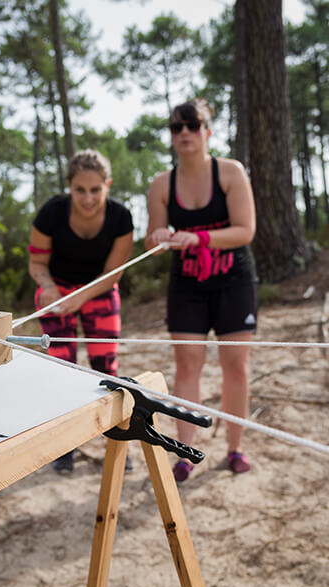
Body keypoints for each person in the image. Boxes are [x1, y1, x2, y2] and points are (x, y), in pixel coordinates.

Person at [145, 98, 257, 482]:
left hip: (234, 282)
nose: (185, 133)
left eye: (193, 125)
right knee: (188, 364)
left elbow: (245, 231)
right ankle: (184, 453)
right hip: (187, 286)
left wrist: (198, 237)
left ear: (208, 130)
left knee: (235, 366)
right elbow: (152, 240)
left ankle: (235, 449)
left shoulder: (230, 172)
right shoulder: (161, 184)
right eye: (177, 127)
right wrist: (160, 236)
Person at [28, 148, 134, 474]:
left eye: (95, 190)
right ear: (69, 187)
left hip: (100, 289)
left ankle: (117, 443)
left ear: (108, 185)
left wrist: (82, 297)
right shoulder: (51, 213)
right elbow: (36, 263)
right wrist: (48, 288)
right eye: (79, 190)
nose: (88, 198)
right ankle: (65, 446)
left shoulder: (120, 217)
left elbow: (113, 275)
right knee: (63, 368)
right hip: (56, 289)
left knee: (106, 365)